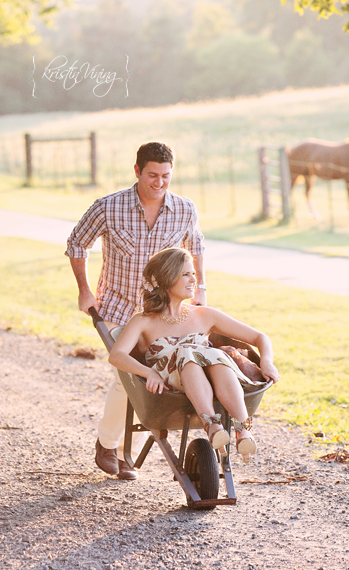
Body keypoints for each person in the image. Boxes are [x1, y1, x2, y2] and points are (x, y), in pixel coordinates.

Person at [66, 142, 206, 480]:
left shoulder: (185, 209)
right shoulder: (109, 207)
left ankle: (132, 448)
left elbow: (196, 248)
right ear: (137, 171)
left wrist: (200, 290)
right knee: (127, 376)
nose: (159, 182)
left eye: (166, 176)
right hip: (117, 306)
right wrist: (85, 291)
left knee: (161, 375)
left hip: (161, 312)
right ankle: (110, 445)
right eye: (153, 175)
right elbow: (76, 243)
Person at [108, 248, 280, 462]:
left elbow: (260, 337)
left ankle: (242, 428)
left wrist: (267, 362)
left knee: (213, 354)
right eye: (185, 274)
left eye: (193, 274)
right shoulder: (143, 321)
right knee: (188, 351)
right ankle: (212, 424)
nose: (194, 280)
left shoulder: (205, 315)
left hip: (212, 379)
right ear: (167, 278)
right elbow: (117, 355)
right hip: (169, 386)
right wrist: (148, 373)